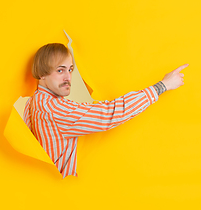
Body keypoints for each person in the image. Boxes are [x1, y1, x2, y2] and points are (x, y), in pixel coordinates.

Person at [24, 43, 188, 178]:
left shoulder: (39, 101)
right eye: (60, 70)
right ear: (41, 74)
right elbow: (109, 114)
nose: (68, 77)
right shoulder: (52, 108)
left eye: (70, 69)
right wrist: (162, 86)